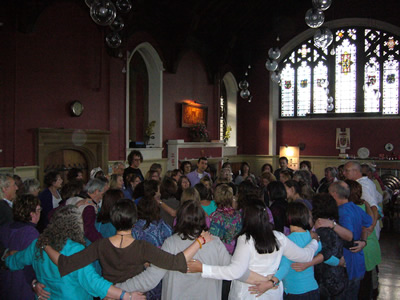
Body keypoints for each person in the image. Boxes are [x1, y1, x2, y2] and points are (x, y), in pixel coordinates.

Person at [43, 199, 211, 292]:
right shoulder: (143, 247)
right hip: (134, 295)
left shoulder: (100, 245)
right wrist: (199, 241)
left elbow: (65, 263)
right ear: (135, 220)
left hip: (110, 294)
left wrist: (45, 245)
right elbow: (177, 262)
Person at [187, 199, 320, 299]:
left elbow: (235, 271)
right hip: (271, 294)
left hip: (248, 293)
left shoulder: (246, 239)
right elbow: (306, 256)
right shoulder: (279, 237)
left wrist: (203, 268)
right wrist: (314, 241)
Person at [5, 205, 144, 300]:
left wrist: (7, 256)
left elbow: (14, 262)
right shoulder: (75, 250)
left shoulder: (39, 243)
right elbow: (92, 282)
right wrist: (126, 296)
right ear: (75, 226)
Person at [116, 200, 231, 300]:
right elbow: (234, 270)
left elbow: (150, 279)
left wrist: (115, 290)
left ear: (179, 219)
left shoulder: (171, 243)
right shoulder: (215, 242)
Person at [316, 181, 372, 299]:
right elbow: (368, 225)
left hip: (347, 264)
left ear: (334, 194)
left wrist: (333, 225)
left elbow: (348, 236)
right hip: (358, 262)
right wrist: (363, 241)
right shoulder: (355, 208)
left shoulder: (342, 212)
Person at [294, 193, 347, 299]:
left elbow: (325, 254)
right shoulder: (334, 224)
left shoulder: (322, 229)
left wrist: (338, 262)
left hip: (327, 277)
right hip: (338, 276)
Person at [273, 202, 320, 299]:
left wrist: (272, 282)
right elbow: (324, 253)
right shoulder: (313, 237)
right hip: (312, 288)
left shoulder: (287, 241)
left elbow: (284, 267)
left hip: (294, 290)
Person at [345, 179, 382, 300]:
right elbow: (370, 222)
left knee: (361, 285)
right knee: (368, 283)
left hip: (362, 248)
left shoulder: (352, 209)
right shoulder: (364, 203)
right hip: (370, 245)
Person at [0, 194, 41, 300]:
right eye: (38, 210)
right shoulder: (30, 232)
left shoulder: (4, 228)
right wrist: (34, 283)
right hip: (22, 284)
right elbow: (31, 262)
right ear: (32, 214)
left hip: (6, 283)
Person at [343, 161, 382, 239]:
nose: (344, 173)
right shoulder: (368, 182)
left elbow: (373, 206)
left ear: (355, 171)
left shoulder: (362, 185)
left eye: (346, 170)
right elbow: (380, 198)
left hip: (366, 230)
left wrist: (371, 227)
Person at [66, 178, 107, 243]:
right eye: (103, 194)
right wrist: (103, 242)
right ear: (96, 191)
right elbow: (89, 231)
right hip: (78, 242)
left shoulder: (71, 199)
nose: (102, 197)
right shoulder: (89, 208)